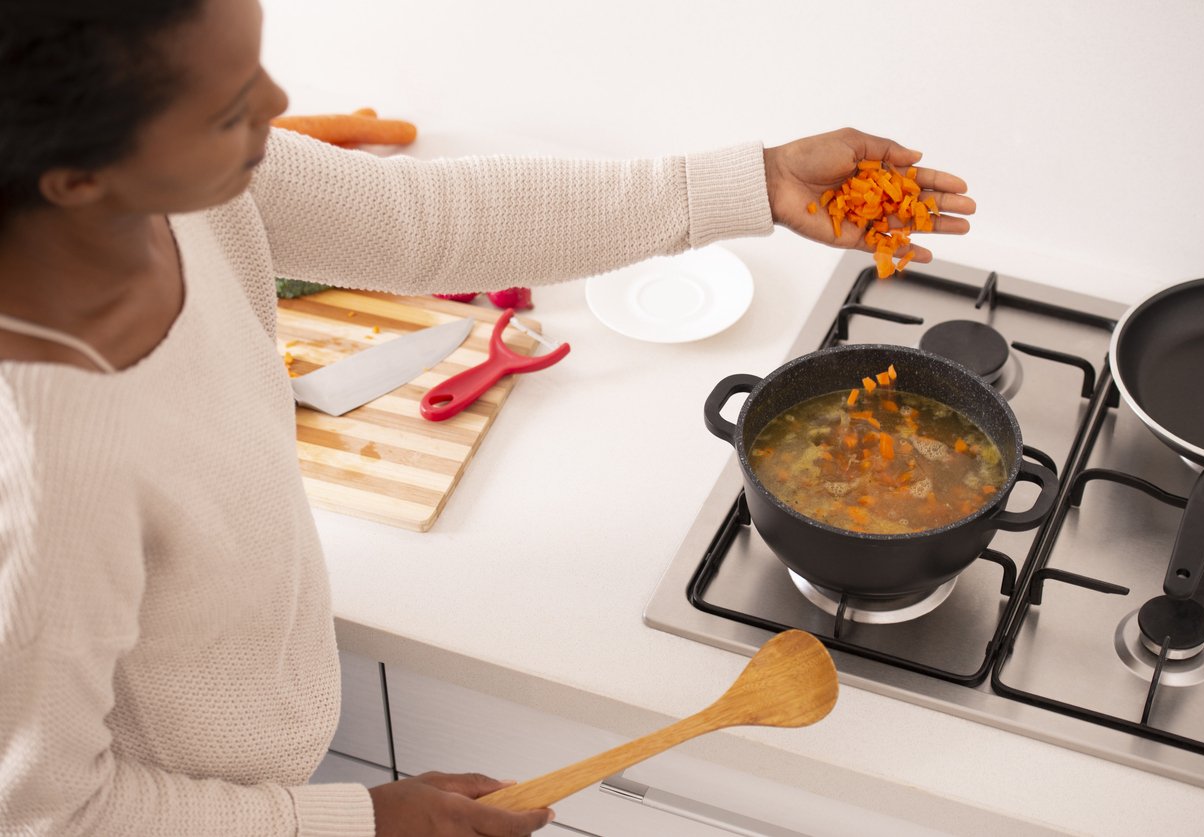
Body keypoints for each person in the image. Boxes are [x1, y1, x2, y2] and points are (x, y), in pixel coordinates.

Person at [0, 0, 975, 835]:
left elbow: (415, 223)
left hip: (265, 755)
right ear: (78, 179)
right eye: (227, 108)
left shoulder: (187, 195)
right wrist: (361, 820)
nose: (278, 107)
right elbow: (54, 813)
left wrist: (748, 182)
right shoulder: (42, 473)